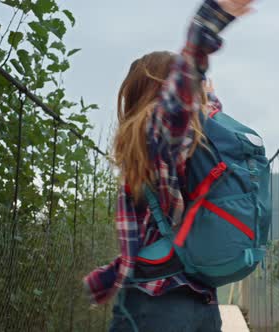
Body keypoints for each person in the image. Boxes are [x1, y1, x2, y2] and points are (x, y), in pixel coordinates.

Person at [83, 0, 256, 331]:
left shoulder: (160, 140)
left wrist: (210, 20)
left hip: (157, 308)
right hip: (201, 305)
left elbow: (184, 86)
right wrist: (108, 277)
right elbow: (154, 237)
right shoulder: (184, 148)